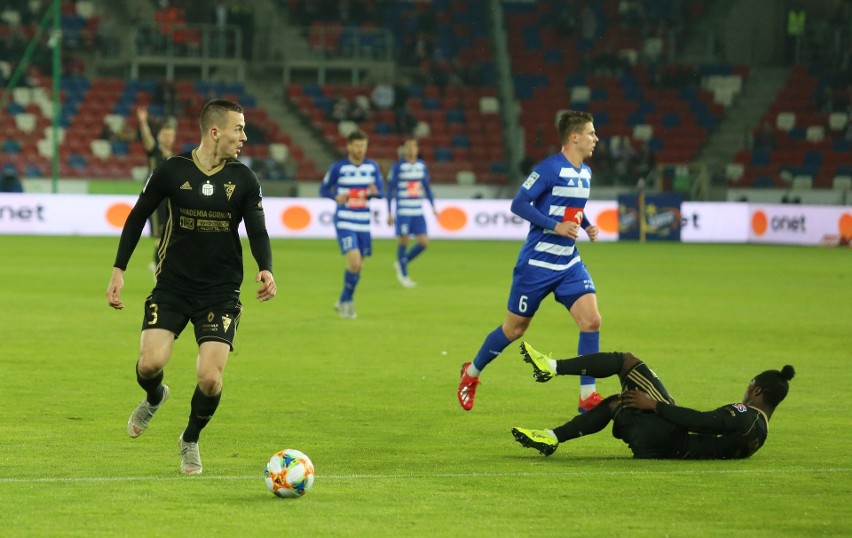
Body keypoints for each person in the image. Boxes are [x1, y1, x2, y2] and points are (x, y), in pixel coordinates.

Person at [106, 99, 277, 475]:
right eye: (239, 129)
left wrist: (266, 268)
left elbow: (258, 230)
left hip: (220, 292)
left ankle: (190, 440)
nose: (244, 137)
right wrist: (119, 269)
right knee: (150, 364)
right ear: (215, 131)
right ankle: (154, 397)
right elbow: (137, 218)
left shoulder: (244, 179)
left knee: (211, 379)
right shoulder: (172, 170)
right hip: (173, 286)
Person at [457, 110, 602, 412]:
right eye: (591, 133)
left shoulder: (585, 172)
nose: (595, 138)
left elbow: (571, 207)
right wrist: (554, 225)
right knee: (515, 329)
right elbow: (519, 203)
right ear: (574, 137)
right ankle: (471, 374)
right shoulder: (548, 169)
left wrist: (586, 223)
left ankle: (587, 396)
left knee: (592, 321)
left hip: (568, 264)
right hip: (537, 264)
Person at [511, 341, 795, 459]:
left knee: (627, 361)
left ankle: (552, 367)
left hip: (668, 438)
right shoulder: (759, 434)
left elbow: (703, 422)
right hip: (665, 448)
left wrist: (656, 406)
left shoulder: (744, 413)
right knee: (619, 402)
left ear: (757, 392)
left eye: (750, 387)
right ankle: (551, 437)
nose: (746, 392)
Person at [319, 129, 384, 319]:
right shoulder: (339, 168)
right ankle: (347, 301)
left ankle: (343, 299)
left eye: (363, 146)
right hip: (345, 219)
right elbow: (323, 189)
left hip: (363, 222)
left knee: (359, 267)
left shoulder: (372, 167)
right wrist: (335, 196)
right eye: (356, 146)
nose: (360, 149)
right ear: (348, 146)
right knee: (354, 262)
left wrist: (375, 192)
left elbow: (380, 191)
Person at [386, 137, 437, 288]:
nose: (411, 150)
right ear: (404, 150)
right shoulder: (397, 167)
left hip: (417, 210)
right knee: (404, 241)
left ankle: (402, 263)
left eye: (413, 147)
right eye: (408, 147)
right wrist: (389, 211)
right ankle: (404, 275)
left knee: (423, 242)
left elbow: (426, 188)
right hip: (403, 211)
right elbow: (390, 190)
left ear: (417, 150)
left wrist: (433, 206)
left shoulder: (422, 166)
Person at [137, 106, 176, 275]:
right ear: (159, 136)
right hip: (155, 199)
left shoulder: (174, 158)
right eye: (165, 135)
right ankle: (158, 269)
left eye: (170, 135)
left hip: (170, 200)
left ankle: (162, 267)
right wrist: (143, 123)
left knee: (170, 236)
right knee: (159, 237)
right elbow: (147, 139)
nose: (168, 139)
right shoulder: (155, 153)